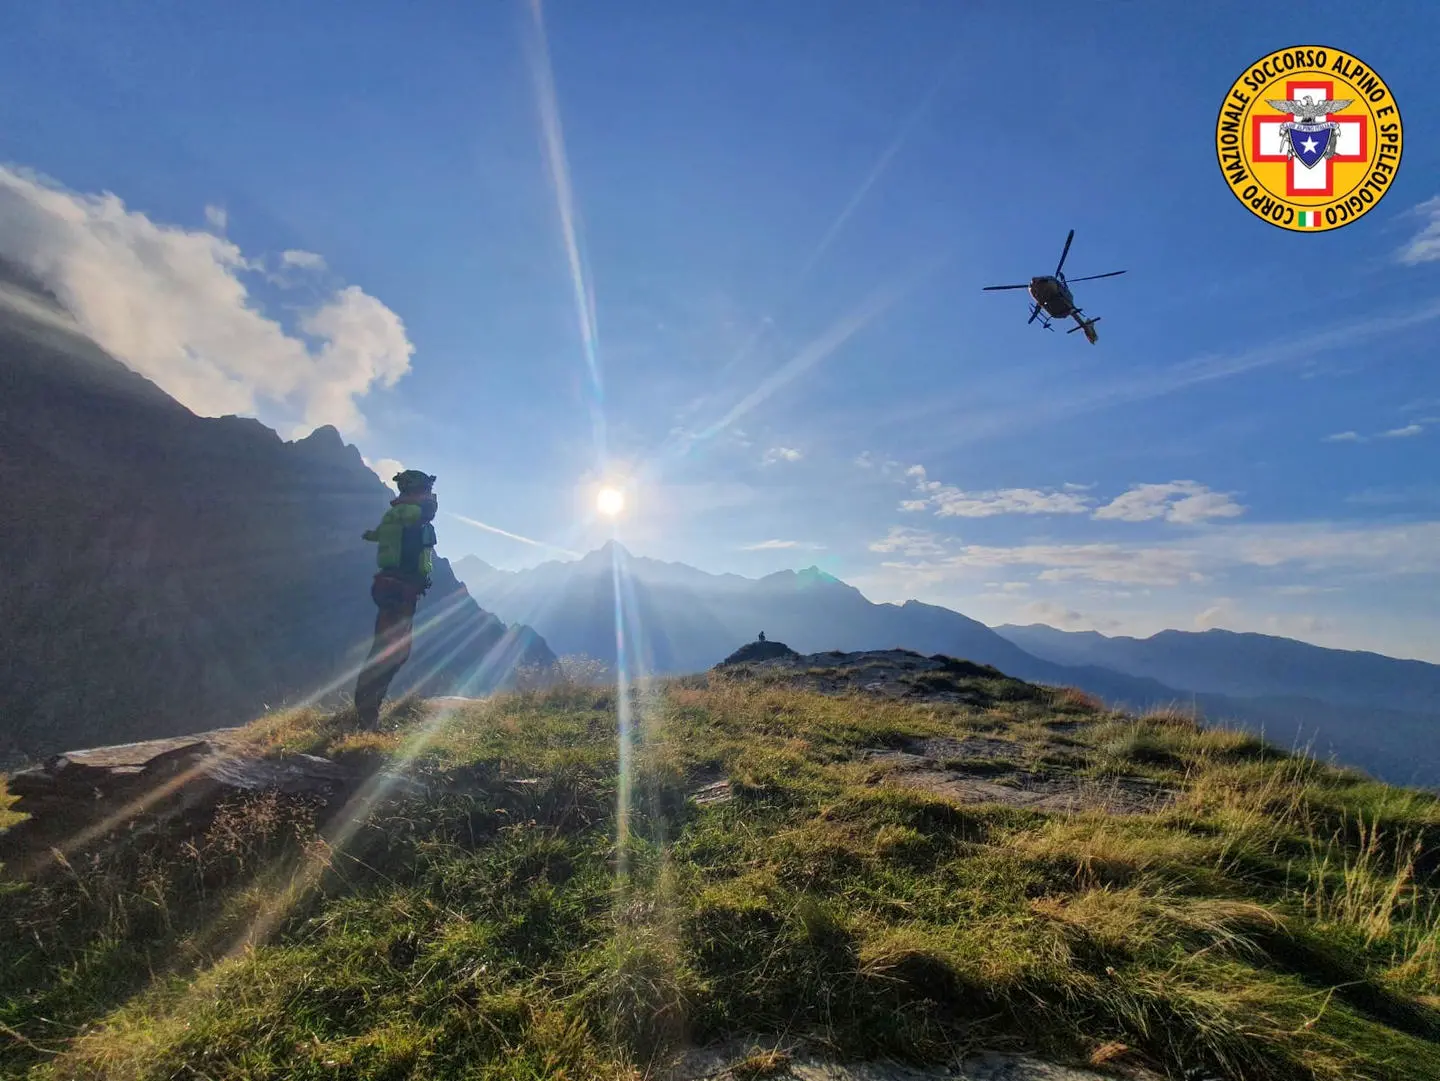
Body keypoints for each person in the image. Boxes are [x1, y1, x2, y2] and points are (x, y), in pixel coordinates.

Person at [353, 470, 438, 728]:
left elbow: (384, 534)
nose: (430, 496)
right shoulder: (412, 513)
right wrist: (427, 505)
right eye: (425, 490)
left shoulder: (396, 515)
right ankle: (367, 715)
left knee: (390, 649)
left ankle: (367, 712)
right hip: (401, 588)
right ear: (414, 491)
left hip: (392, 587)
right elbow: (425, 514)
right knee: (392, 651)